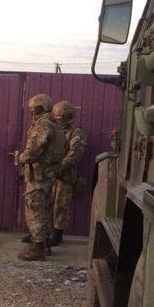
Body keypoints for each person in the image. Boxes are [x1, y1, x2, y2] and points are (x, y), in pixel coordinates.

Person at [16, 93, 65, 261]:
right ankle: (45, 245)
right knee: (43, 209)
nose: (31, 112)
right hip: (47, 174)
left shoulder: (43, 126)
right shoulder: (55, 125)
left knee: (35, 208)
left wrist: (20, 158)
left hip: (40, 176)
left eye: (33, 108)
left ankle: (37, 248)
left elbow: (33, 152)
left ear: (41, 108)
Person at [50, 100, 87, 245]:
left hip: (65, 176)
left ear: (69, 116)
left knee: (61, 206)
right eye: (56, 118)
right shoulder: (55, 131)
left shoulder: (76, 132)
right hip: (50, 174)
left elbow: (75, 154)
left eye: (61, 117)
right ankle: (39, 234)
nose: (58, 120)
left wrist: (60, 167)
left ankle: (57, 235)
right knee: (44, 203)